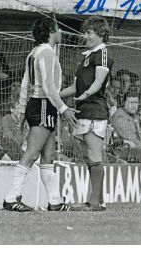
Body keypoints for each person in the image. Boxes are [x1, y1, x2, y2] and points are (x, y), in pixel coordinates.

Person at [3, 18, 78, 212]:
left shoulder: (34, 52)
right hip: (44, 104)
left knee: (48, 155)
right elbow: (48, 86)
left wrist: (21, 110)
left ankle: (54, 201)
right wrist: (64, 109)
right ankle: (11, 198)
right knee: (32, 153)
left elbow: (24, 83)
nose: (61, 31)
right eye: (59, 28)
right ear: (52, 30)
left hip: (40, 104)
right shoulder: (46, 52)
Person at [60, 16, 114, 211]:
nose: (86, 36)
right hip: (83, 109)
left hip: (95, 109)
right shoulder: (85, 56)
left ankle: (94, 203)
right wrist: (56, 96)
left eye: (89, 32)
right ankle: (97, 201)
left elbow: (98, 82)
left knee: (94, 154)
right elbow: (75, 86)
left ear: (100, 33)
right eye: (86, 32)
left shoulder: (103, 53)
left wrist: (86, 94)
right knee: (87, 155)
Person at [111, 91, 141, 163]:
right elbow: (129, 137)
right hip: (123, 151)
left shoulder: (135, 116)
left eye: (136, 103)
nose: (134, 106)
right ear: (124, 103)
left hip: (134, 150)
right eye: (131, 103)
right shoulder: (120, 116)